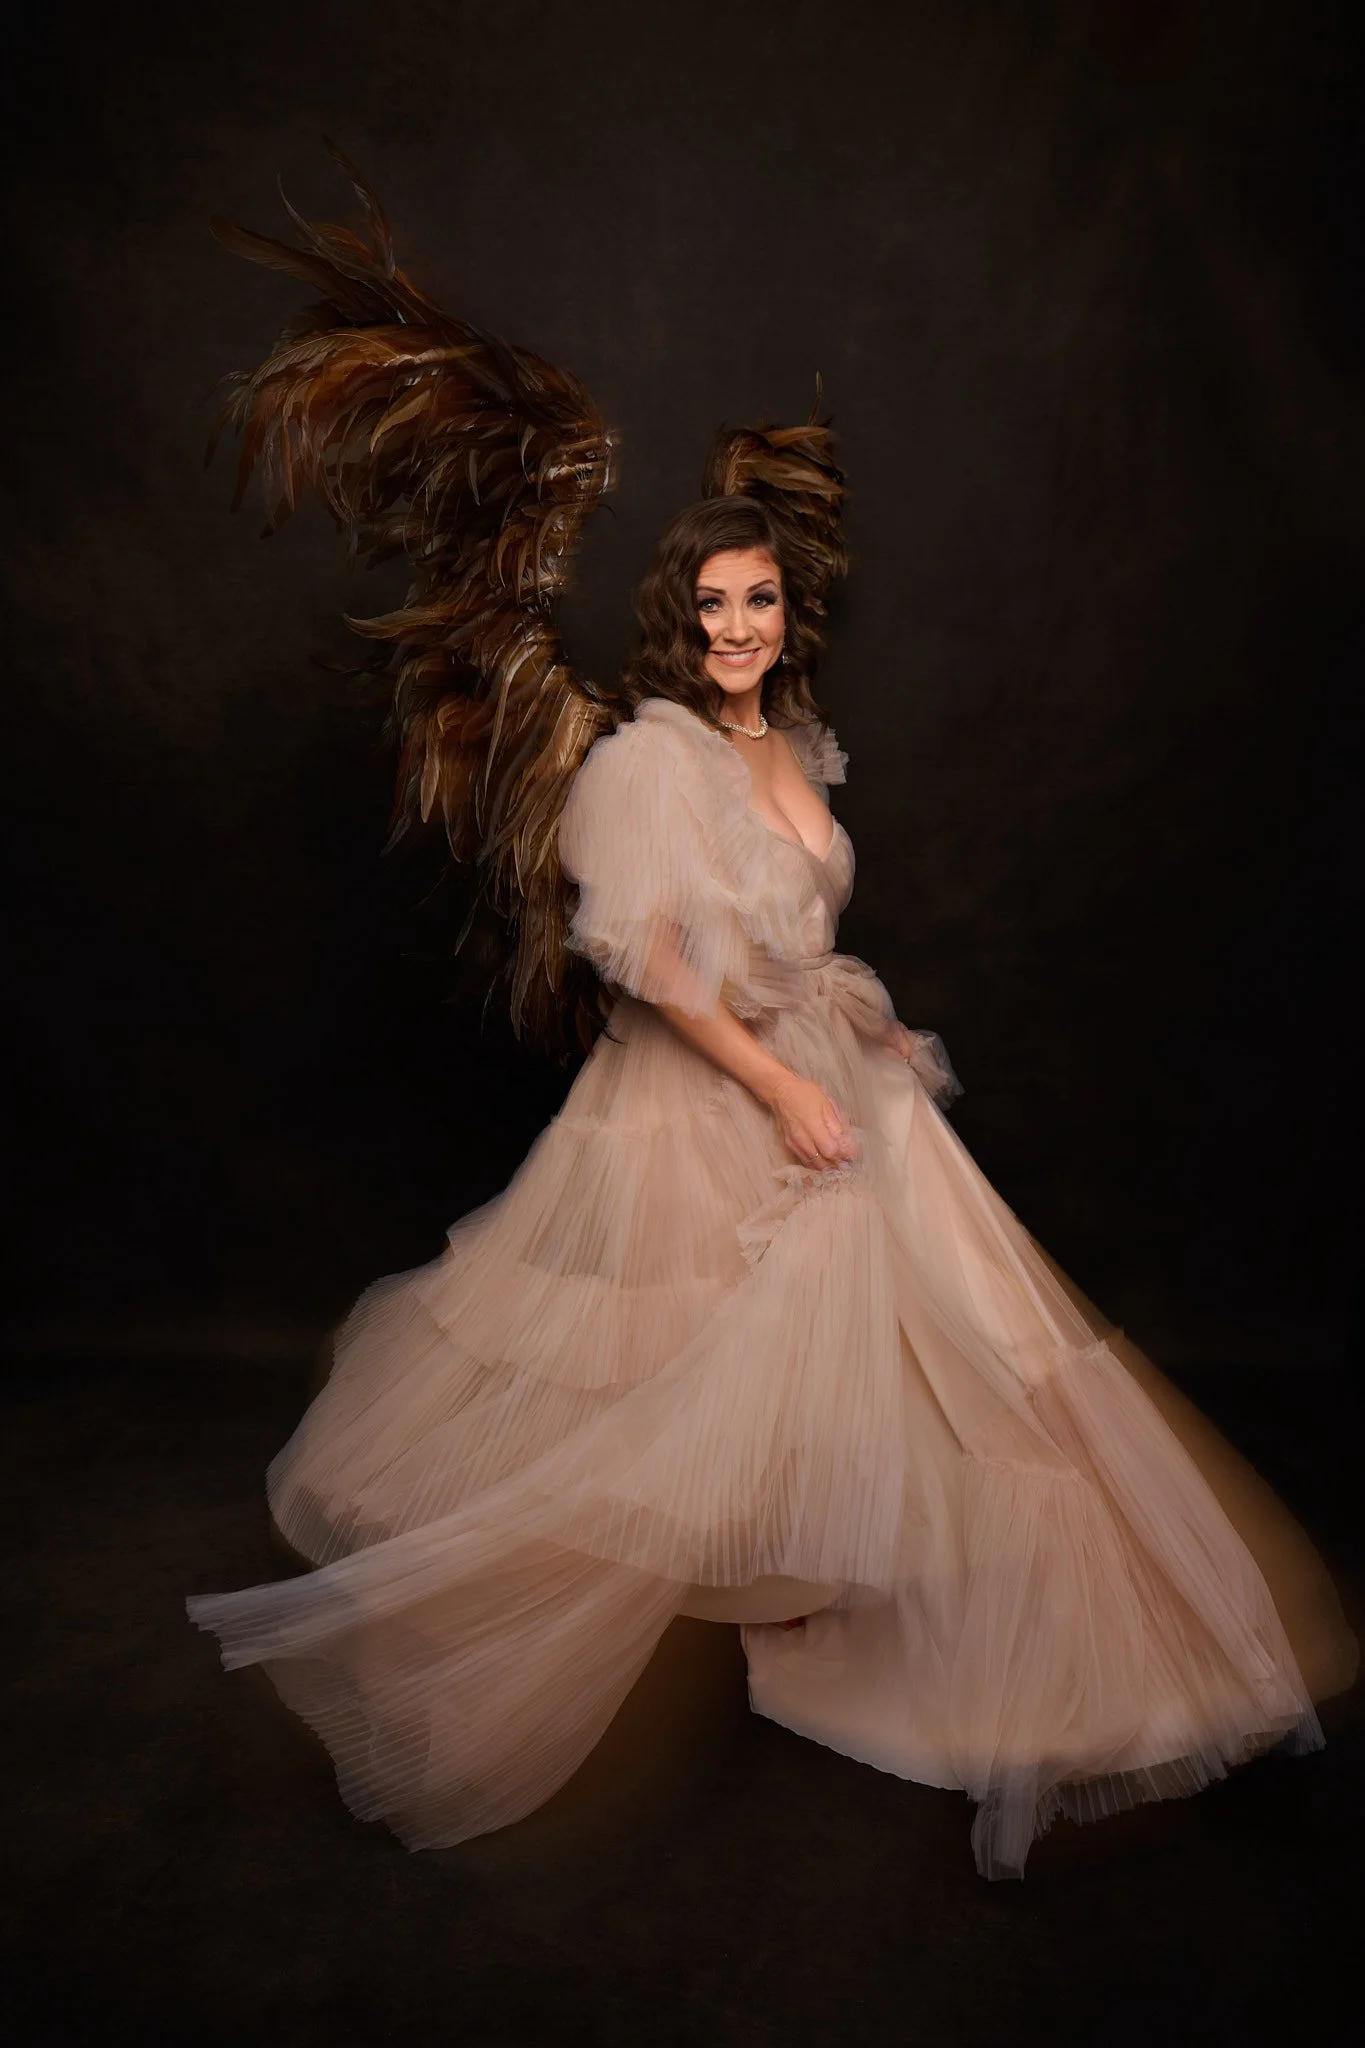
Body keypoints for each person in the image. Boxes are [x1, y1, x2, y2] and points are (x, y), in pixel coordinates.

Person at [188, 159, 1353, 1880]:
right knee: (693, 1361)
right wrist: (774, 1085)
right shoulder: (651, 759)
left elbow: (799, 930)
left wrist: (847, 1048)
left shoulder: (790, 747)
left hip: (822, 1062)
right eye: (714, 604)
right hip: (704, 1087)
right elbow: (650, 967)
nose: (739, 627)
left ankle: (848, 1580)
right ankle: (698, 1575)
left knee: (933, 1344)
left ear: (787, 616)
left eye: (762, 602)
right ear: (680, 618)